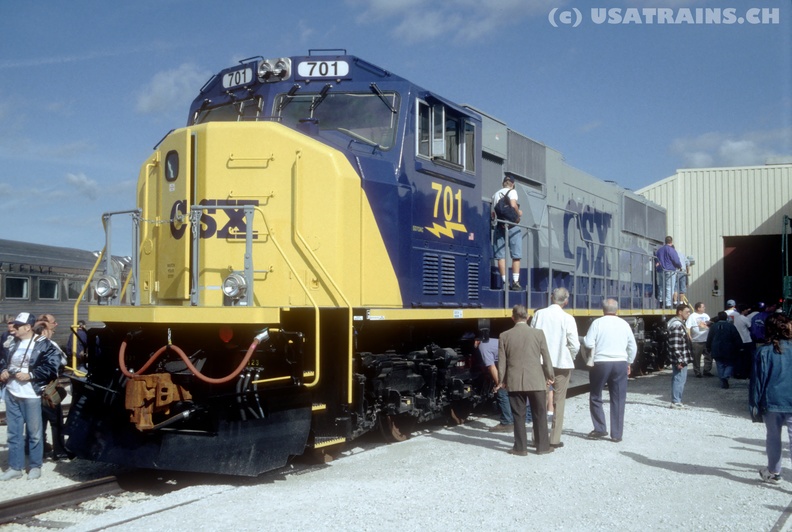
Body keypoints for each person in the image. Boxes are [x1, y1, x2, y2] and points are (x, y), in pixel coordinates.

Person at [0, 312, 61, 481]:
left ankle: (35, 466)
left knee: (34, 432)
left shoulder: (43, 344)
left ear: (27, 327)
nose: (13, 328)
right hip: (12, 392)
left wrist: (31, 374)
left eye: (17, 326)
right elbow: (2, 361)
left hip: (31, 394)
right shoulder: (11, 342)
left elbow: (53, 367)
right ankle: (15, 467)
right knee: (13, 433)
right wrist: (3, 371)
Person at [495, 305, 554, 455]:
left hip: (514, 381)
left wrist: (501, 380)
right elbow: (546, 357)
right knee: (540, 413)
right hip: (536, 380)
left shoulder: (504, 335)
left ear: (512, 318)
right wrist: (550, 376)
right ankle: (543, 447)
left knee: (518, 415)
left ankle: (520, 448)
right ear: (528, 317)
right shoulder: (538, 333)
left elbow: (502, 362)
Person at [583, 298, 637, 443]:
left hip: (601, 363)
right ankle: (616, 434)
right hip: (620, 362)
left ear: (603, 310)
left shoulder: (597, 323)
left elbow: (588, 342)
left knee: (595, 395)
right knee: (618, 398)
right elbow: (633, 346)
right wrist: (629, 362)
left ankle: (600, 428)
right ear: (617, 310)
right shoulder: (624, 324)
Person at [531, 287, 580, 448]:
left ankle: (537, 437)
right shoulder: (568, 318)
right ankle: (554, 439)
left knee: (539, 400)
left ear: (551, 297)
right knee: (559, 402)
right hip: (561, 364)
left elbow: (532, 337)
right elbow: (574, 344)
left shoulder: (539, 314)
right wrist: (568, 357)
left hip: (541, 364)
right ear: (566, 301)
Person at [749, 314, 792, 484]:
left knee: (773, 437)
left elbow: (757, 382)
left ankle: (774, 472)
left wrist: (754, 406)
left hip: (771, 401)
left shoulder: (763, 352)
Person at [477, 336, 533, 433]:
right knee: (521, 388)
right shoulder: (491, 341)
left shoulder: (482, 346)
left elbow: (491, 367)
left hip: (513, 363)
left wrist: (500, 383)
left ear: (476, 340)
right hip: (520, 361)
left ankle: (507, 422)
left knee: (502, 392)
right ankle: (527, 416)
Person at [36, 315, 69, 461]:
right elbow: (62, 359)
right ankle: (59, 451)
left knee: (39, 422)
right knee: (56, 421)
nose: (53, 330)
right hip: (49, 388)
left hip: (34, 389)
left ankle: (40, 451)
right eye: (51, 327)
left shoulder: (28, 344)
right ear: (44, 331)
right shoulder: (49, 344)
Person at [491, 175, 523, 291]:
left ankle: (505, 282)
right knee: (516, 255)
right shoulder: (512, 192)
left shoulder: (495, 195)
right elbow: (514, 204)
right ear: (512, 184)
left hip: (500, 227)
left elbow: (493, 214)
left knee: (500, 257)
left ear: (503, 183)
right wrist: (518, 214)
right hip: (513, 227)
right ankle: (515, 282)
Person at [707, 311, 742, 389]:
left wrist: (708, 347)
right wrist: (739, 346)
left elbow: (709, 338)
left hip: (716, 348)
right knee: (730, 363)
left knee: (719, 364)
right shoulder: (731, 326)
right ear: (726, 317)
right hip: (729, 348)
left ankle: (722, 378)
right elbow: (736, 337)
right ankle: (725, 377)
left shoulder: (713, 326)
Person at [667, 304, 693, 408]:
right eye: (687, 312)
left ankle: (677, 400)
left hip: (680, 357)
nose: (689, 314)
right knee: (679, 379)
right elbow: (675, 344)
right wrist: (680, 360)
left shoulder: (677, 323)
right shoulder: (677, 325)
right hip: (680, 358)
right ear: (680, 312)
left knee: (678, 378)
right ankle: (676, 401)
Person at [655, 236, 682, 308]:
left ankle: (660, 302)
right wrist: (679, 266)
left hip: (660, 270)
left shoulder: (659, 250)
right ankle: (668, 304)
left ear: (665, 241)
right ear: (671, 242)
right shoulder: (671, 250)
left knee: (661, 286)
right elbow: (676, 260)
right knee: (669, 287)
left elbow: (656, 259)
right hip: (669, 270)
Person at [687, 302, 712, 378]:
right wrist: (689, 337)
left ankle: (707, 370)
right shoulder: (692, 316)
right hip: (697, 341)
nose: (704, 308)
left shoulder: (706, 316)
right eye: (703, 307)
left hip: (706, 340)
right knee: (696, 357)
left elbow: (710, 325)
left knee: (709, 356)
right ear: (698, 308)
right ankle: (697, 372)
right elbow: (688, 327)